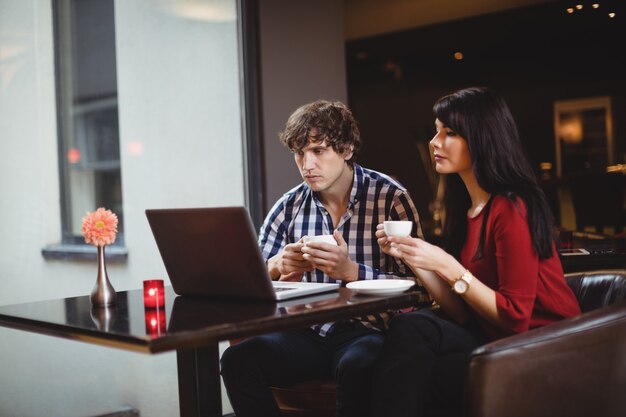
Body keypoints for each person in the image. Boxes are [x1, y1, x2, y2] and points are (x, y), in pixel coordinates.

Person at [371, 87, 581, 417]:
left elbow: (515, 318)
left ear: (482, 139)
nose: (434, 142)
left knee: (416, 344)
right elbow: (462, 313)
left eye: (450, 132)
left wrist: (448, 265)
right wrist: (414, 257)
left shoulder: (511, 208)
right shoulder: (469, 210)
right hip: (493, 336)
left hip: (545, 345)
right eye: (437, 130)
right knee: (413, 331)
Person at [220, 99, 427, 417]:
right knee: (238, 360)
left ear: (347, 149)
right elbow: (252, 280)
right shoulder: (289, 206)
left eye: (318, 150)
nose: (307, 164)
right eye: (299, 153)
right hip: (308, 332)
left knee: (359, 364)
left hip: (368, 330)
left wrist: (350, 270)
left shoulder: (389, 198)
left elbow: (421, 290)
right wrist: (279, 265)